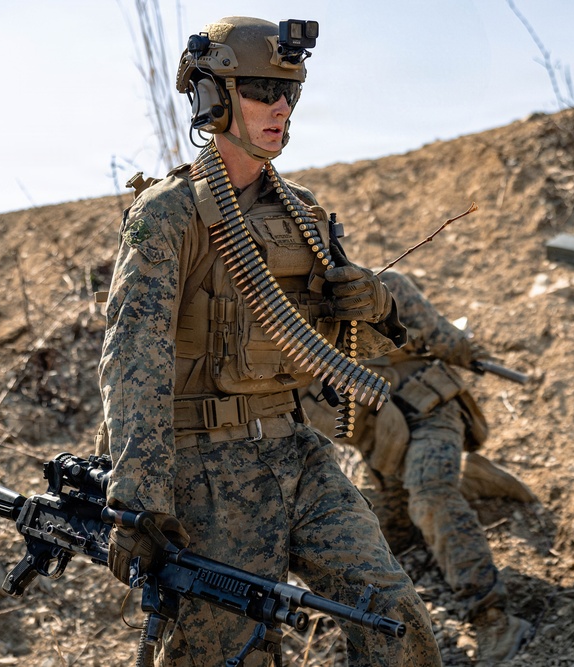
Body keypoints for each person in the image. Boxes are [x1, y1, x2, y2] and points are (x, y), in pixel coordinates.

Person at [98, 16, 441, 666]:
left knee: (395, 619)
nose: (282, 106)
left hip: (297, 452)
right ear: (213, 97)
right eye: (262, 90)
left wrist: (373, 305)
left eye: (291, 91)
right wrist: (138, 497)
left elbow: (335, 343)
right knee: (232, 652)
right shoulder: (168, 213)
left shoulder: (301, 212)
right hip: (205, 469)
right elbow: (133, 358)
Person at [302, 271, 534, 664]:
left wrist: (462, 348)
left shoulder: (375, 286)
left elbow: (445, 338)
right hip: (383, 449)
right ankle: (466, 477)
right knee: (384, 536)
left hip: (429, 412)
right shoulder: (271, 333)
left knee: (429, 497)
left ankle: (493, 618)